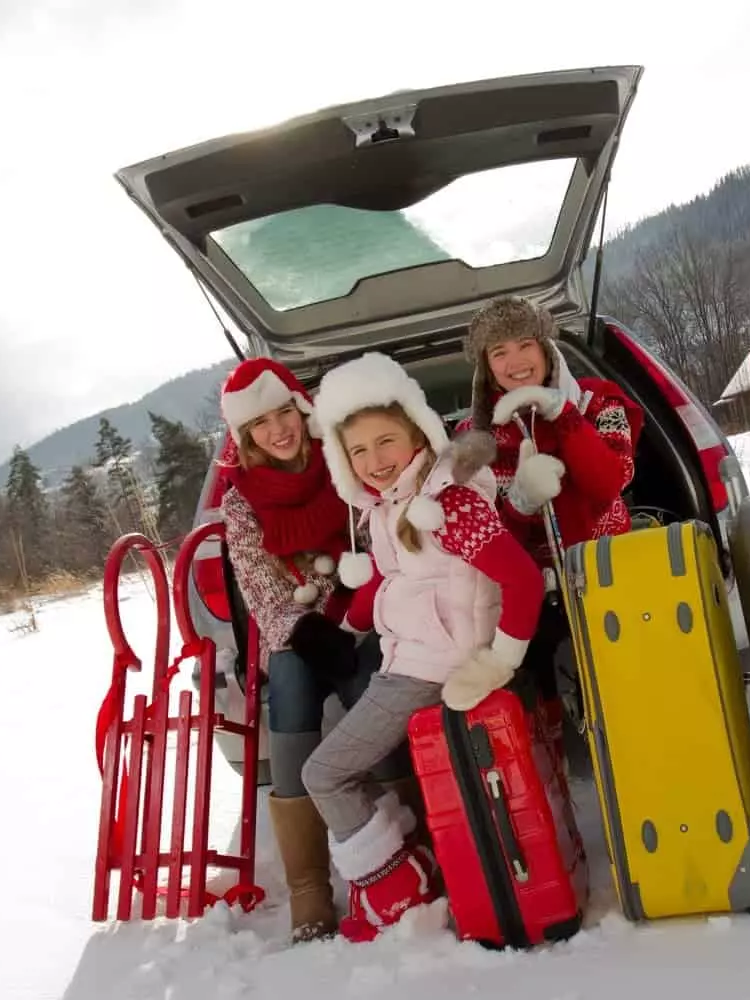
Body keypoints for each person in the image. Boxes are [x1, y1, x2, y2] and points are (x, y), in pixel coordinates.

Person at [301, 351, 544, 942]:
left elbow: (523, 580)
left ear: (417, 434)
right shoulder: (388, 508)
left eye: (386, 442)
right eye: (358, 451)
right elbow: (394, 580)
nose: (374, 462)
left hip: (435, 667)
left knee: (323, 773)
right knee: (339, 736)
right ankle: (411, 867)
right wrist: (345, 630)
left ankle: (398, 894)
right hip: (408, 656)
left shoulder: (447, 504)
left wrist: (498, 662)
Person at [219, 357, 358, 943]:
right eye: (260, 424)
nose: (279, 430)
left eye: (285, 413)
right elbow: (262, 596)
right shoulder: (239, 503)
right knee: (292, 692)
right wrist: (309, 632)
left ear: (302, 409)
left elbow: (374, 533)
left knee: (373, 682)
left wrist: (356, 614)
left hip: (359, 609)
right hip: (298, 631)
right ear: (245, 436)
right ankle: (309, 889)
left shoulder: (344, 461)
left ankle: (416, 846)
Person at [458, 294, 643, 715]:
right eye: (499, 352)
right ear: (486, 367)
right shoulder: (473, 439)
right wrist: (521, 502)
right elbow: (485, 536)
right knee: (531, 676)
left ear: (546, 348)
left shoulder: (600, 402)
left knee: (623, 687)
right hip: (529, 592)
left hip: (605, 571)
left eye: (525, 344)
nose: (516, 361)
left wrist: (563, 414)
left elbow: (611, 481)